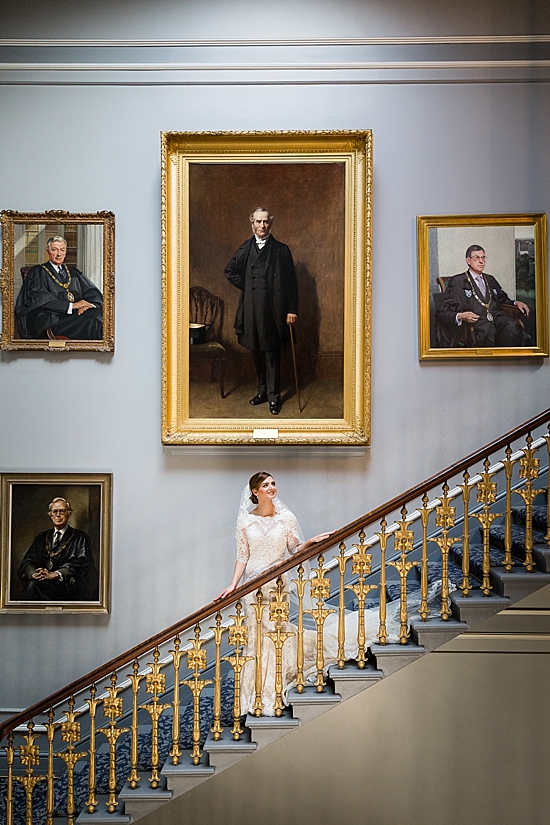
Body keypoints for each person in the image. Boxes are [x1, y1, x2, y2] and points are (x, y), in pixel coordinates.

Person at [216, 472, 333, 716]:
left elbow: (293, 549)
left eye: (273, 483)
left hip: (278, 585)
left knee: (275, 635)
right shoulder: (245, 522)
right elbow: (242, 556)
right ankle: (255, 697)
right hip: (253, 588)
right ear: (255, 492)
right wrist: (233, 585)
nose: (271, 487)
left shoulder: (286, 518)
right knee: (257, 638)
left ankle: (274, 690)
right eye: (265, 485)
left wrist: (310, 541)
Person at [225, 208, 298, 415]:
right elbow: (229, 271)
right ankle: (263, 392)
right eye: (258, 222)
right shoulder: (245, 248)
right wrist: (247, 286)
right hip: (251, 309)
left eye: (266, 222)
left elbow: (292, 283)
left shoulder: (281, 250)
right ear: (252, 224)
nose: (262, 226)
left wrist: (292, 309)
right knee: (256, 351)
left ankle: (274, 397)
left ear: (270, 224)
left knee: (272, 353)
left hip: (274, 309)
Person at [435, 245, 529, 347]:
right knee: (490, 334)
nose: (481, 261)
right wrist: (461, 316)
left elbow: (502, 299)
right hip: (477, 322)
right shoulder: (458, 281)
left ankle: (510, 361)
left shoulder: (490, 279)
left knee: (512, 326)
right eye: (476, 258)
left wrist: (516, 303)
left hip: (497, 317)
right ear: (468, 260)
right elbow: (442, 311)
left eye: (483, 257)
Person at [15, 236, 103, 340]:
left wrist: (88, 304)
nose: (59, 254)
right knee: (92, 322)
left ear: (66, 252)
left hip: (75, 316)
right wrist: (74, 305)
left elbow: (92, 292)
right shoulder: (38, 272)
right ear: (48, 252)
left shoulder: (73, 272)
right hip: (54, 320)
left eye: (62, 250)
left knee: (101, 315)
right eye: (54, 250)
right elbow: (41, 299)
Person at [18, 497, 94, 601]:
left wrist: (56, 574)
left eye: (62, 511)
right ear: (50, 515)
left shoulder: (80, 537)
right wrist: (35, 573)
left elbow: (81, 563)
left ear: (69, 514)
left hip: (66, 586)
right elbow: (28, 560)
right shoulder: (41, 537)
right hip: (42, 582)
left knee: (33, 587)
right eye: (55, 512)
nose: (58, 515)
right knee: (32, 586)